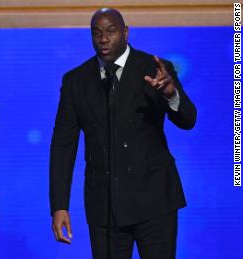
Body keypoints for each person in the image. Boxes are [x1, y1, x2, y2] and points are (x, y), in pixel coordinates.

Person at [49, 8, 196, 259]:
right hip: (105, 207)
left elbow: (188, 120)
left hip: (154, 201)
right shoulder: (76, 81)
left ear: (125, 33)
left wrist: (171, 95)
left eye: (110, 31)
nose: (103, 39)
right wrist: (59, 206)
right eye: (96, 33)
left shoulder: (154, 68)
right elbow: (63, 146)